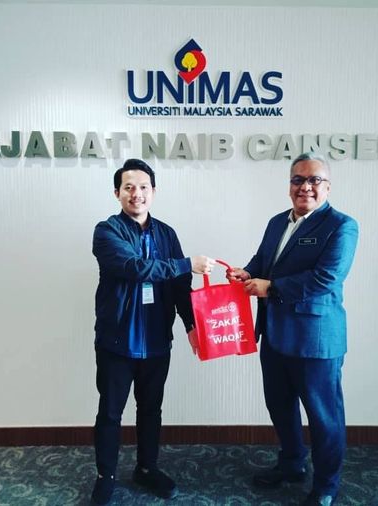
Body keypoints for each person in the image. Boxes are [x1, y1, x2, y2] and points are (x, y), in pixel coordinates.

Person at [227, 152, 358, 506]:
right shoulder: (276, 222)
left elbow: (326, 278)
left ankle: (326, 485)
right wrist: (247, 273)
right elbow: (263, 262)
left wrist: (271, 287)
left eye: (314, 180)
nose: (305, 187)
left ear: (328, 186)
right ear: (289, 185)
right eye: (298, 180)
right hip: (274, 334)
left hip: (316, 341)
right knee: (280, 407)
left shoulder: (342, 226)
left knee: (323, 417)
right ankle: (292, 464)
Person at [91, 158, 214, 505]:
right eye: (128, 187)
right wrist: (186, 262)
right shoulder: (107, 231)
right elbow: (135, 268)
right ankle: (105, 476)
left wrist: (191, 324)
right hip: (117, 341)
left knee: (151, 409)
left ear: (154, 192)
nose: (137, 194)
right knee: (110, 412)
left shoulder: (167, 234)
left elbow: (180, 285)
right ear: (117, 193)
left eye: (143, 187)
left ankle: (147, 468)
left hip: (157, 340)